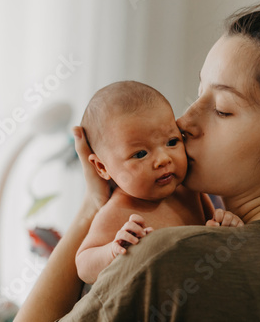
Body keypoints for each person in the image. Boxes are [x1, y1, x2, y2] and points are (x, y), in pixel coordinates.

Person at [15, 4, 260, 322]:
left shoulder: (176, 258)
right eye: (199, 92)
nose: (183, 123)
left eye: (220, 109)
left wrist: (91, 211)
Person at [75, 81, 242, 284]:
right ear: (102, 167)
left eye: (172, 142)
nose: (163, 159)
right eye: (140, 154)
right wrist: (112, 251)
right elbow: (83, 265)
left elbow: (209, 229)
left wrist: (223, 228)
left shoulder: (189, 192)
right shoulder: (116, 211)